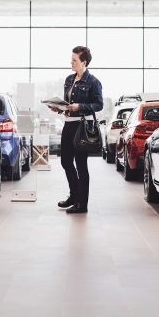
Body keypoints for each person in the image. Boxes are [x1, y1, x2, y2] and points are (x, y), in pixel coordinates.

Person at [55, 46, 103, 214]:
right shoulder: (69, 79)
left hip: (82, 126)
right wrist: (59, 108)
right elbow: (68, 104)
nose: (71, 63)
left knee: (81, 165)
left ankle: (82, 204)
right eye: (72, 60)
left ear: (84, 62)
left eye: (75, 60)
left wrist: (79, 106)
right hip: (69, 124)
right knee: (65, 161)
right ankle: (74, 196)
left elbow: (98, 105)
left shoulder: (93, 82)